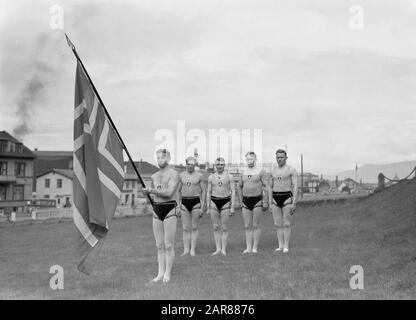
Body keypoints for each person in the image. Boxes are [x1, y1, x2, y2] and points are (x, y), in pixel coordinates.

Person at [142, 149, 179, 283]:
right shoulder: (154, 176)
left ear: (168, 158)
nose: (159, 160)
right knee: (159, 245)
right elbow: (153, 195)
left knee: (168, 245)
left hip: (170, 208)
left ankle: (167, 274)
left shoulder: (174, 174)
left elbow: (169, 192)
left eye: (162, 158)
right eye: (157, 158)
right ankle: (160, 273)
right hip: (157, 209)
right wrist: (146, 194)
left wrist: (150, 190)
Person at [237, 151, 268, 254]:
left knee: (255, 225)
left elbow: (266, 186)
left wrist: (265, 201)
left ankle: (255, 247)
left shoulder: (261, 171)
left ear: (255, 159)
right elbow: (239, 186)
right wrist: (241, 201)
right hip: (246, 201)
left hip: (257, 200)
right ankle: (248, 248)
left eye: (251, 159)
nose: (249, 161)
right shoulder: (243, 172)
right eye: (248, 159)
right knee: (247, 225)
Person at [268, 149, 298, 253]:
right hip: (275, 198)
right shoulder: (273, 171)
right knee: (277, 224)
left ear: (286, 158)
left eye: (281, 157)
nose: (279, 159)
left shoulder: (291, 170)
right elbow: (270, 187)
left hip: (287, 198)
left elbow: (295, 187)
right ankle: (280, 245)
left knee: (286, 224)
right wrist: (270, 202)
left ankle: (286, 246)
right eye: (277, 157)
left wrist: (294, 202)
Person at [207, 157, 236, 256]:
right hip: (214, 202)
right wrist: (207, 207)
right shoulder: (211, 177)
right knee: (215, 227)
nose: (219, 166)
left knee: (224, 227)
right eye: (218, 164)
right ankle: (218, 249)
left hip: (225, 202)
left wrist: (232, 206)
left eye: (221, 165)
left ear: (224, 165)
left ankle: (223, 249)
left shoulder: (230, 177)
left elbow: (233, 192)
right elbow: (209, 192)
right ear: (215, 165)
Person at [178, 156, 206, 256]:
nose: (190, 166)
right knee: (185, 228)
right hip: (184, 202)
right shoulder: (181, 176)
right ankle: (186, 250)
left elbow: (203, 191)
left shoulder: (199, 176)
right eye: (188, 164)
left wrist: (202, 207)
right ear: (186, 164)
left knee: (194, 227)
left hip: (195, 202)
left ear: (195, 165)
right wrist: (178, 205)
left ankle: (192, 250)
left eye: (192, 165)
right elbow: (178, 191)